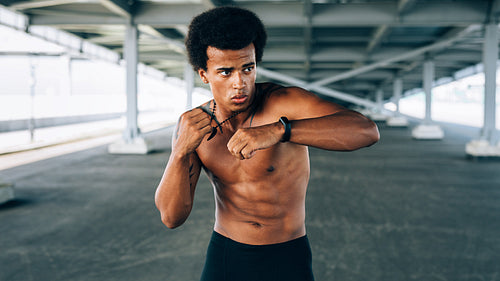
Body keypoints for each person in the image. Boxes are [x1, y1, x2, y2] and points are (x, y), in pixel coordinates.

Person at [155, 6, 380, 281]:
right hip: (226, 254)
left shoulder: (284, 103)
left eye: (247, 68)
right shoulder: (193, 126)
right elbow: (171, 217)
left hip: (286, 256)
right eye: (225, 72)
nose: (240, 83)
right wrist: (179, 152)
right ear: (204, 74)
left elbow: (366, 130)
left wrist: (280, 131)